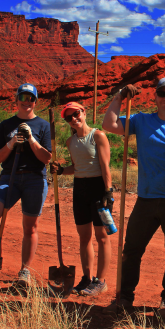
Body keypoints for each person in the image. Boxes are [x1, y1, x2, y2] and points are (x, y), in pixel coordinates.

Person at [101, 77, 165, 319]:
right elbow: (109, 124)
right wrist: (119, 97)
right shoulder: (141, 120)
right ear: (156, 96)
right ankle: (125, 297)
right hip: (146, 199)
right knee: (131, 250)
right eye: (162, 94)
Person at [0, 83, 52, 285]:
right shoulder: (5, 126)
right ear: (16, 99)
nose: (26, 102)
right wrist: (11, 143)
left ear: (35, 101)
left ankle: (25, 271)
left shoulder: (43, 125)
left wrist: (31, 140)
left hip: (35, 179)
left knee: (30, 226)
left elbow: (46, 158)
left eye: (31, 98)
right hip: (9, 177)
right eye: (23, 97)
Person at [49, 101, 113, 296]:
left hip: (98, 188)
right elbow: (77, 168)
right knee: (84, 237)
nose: (74, 119)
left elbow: (105, 166)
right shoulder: (71, 142)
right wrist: (60, 171)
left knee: (102, 237)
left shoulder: (98, 136)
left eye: (76, 114)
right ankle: (87, 278)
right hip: (80, 189)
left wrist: (108, 192)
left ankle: (100, 281)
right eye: (69, 117)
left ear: (84, 112)